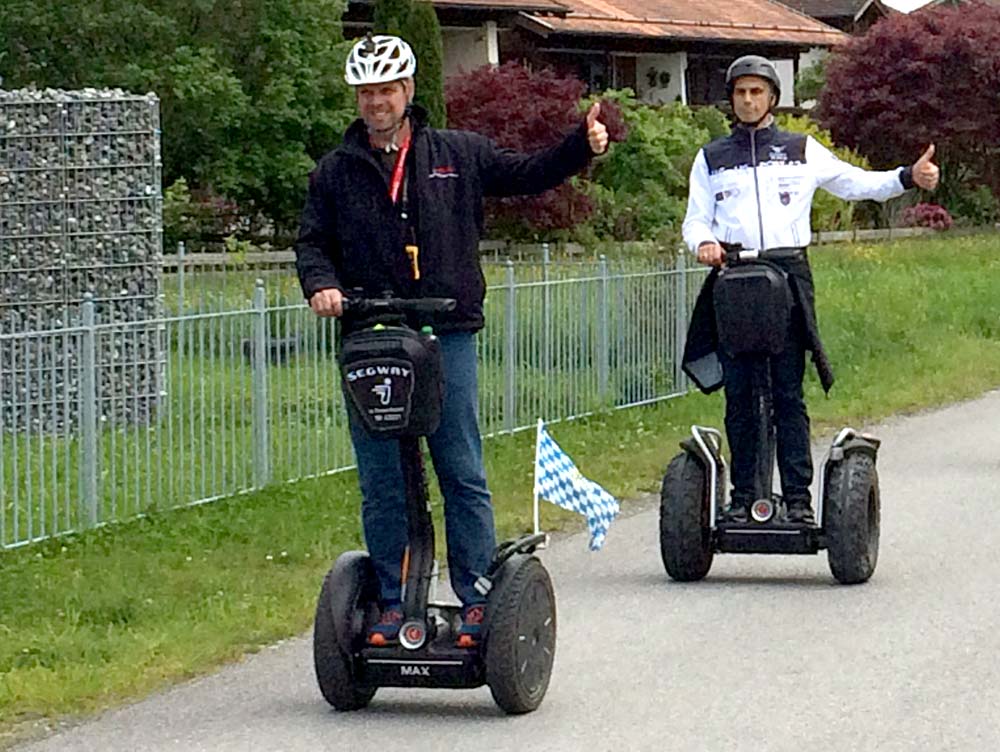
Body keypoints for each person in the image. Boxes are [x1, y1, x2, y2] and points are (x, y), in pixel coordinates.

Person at [295, 34, 609, 647]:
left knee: (459, 465)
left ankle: (475, 592)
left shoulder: (455, 154)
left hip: (446, 332)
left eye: (385, 90)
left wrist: (579, 145)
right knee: (382, 475)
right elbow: (313, 242)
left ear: (408, 92)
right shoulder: (336, 171)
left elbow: (524, 173)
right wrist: (322, 285)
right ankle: (391, 596)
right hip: (370, 336)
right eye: (366, 92)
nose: (375, 102)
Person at [681, 54, 939, 524]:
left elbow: (855, 183)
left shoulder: (802, 148)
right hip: (734, 279)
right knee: (738, 394)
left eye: (757, 91)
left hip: (787, 276)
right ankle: (742, 500)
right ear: (731, 98)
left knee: (786, 391)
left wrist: (906, 177)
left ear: (772, 98)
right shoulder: (712, 158)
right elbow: (696, 218)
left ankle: (797, 500)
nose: (748, 99)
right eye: (740, 92)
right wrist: (702, 242)